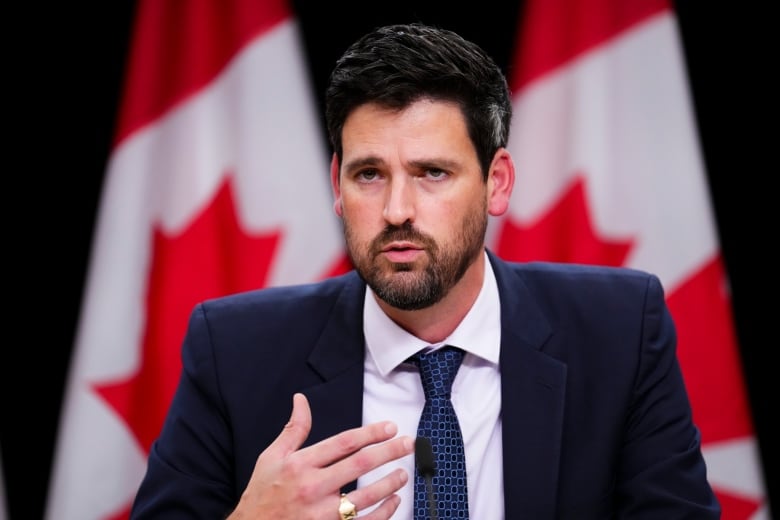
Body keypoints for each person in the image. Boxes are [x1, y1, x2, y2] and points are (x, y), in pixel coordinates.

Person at [130, 22, 720, 519]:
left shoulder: (619, 331)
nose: (396, 212)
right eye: (369, 175)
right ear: (336, 185)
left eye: (432, 172)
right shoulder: (234, 350)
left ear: (497, 182)